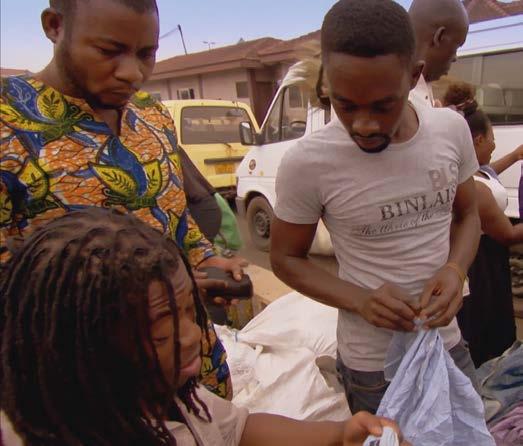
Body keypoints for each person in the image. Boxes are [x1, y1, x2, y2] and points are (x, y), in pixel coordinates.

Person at [0, 0, 247, 400]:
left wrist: (205, 261)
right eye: (109, 51)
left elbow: (174, 217)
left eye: (146, 53)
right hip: (92, 391)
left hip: (192, 367)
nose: (133, 73)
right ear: (55, 26)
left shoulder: (153, 116)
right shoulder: (7, 120)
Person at [0, 208, 410, 446]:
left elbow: (238, 429)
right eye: (163, 333)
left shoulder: (168, 399)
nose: (193, 335)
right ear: (80, 353)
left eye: (189, 312)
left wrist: (339, 434)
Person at [270, 0, 481, 415]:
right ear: (328, 82)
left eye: (383, 106)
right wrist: (361, 300)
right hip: (373, 369)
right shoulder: (307, 163)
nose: (364, 125)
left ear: (414, 76)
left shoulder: (450, 130)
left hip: (447, 344)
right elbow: (284, 258)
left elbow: (468, 216)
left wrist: (456, 270)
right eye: (346, 105)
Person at [443, 82, 523, 366]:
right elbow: (508, 234)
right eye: (492, 138)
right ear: (477, 140)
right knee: (488, 331)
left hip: (487, 260)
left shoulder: (473, 174)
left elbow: (489, 174)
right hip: (482, 265)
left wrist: (514, 156)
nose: (495, 144)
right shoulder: (474, 189)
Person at [408, 0, 469, 109]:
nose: (455, 58)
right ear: (439, 37)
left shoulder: (419, 89)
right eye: (456, 47)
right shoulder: (400, 100)